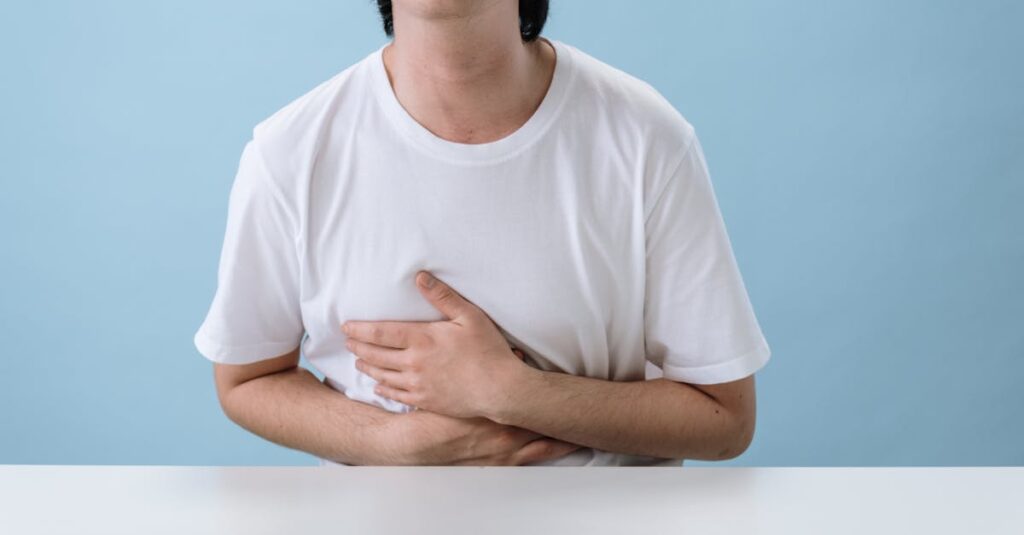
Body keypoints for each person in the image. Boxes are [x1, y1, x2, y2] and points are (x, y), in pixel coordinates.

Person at [193, 0, 771, 466]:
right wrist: (390, 443)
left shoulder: (646, 137)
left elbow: (724, 419)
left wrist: (509, 392)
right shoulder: (291, 151)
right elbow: (247, 381)